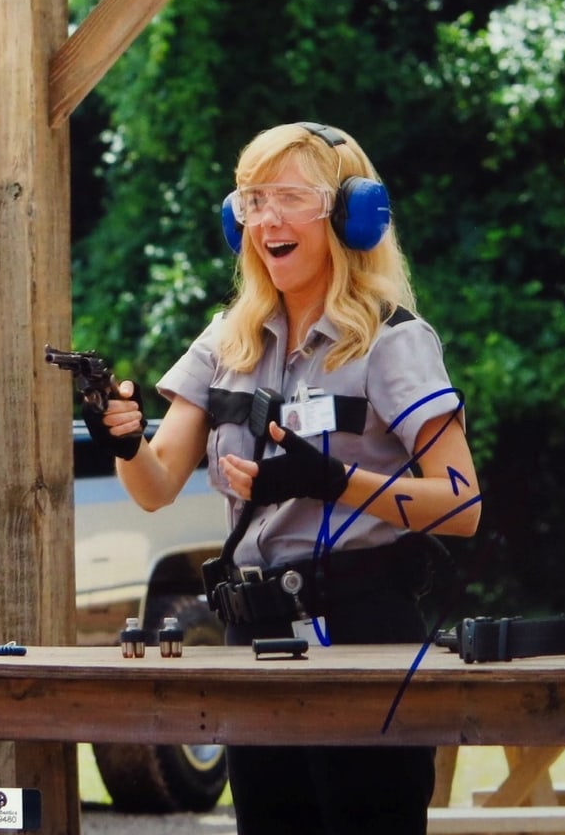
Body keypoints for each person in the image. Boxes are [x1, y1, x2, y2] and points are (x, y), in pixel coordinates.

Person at [89, 121, 481, 834]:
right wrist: (122, 439)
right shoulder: (225, 340)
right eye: (252, 199)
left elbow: (462, 505)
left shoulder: (394, 340)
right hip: (254, 640)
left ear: (351, 214)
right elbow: (154, 486)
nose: (267, 219)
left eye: (291, 198)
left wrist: (334, 480)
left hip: (362, 637)